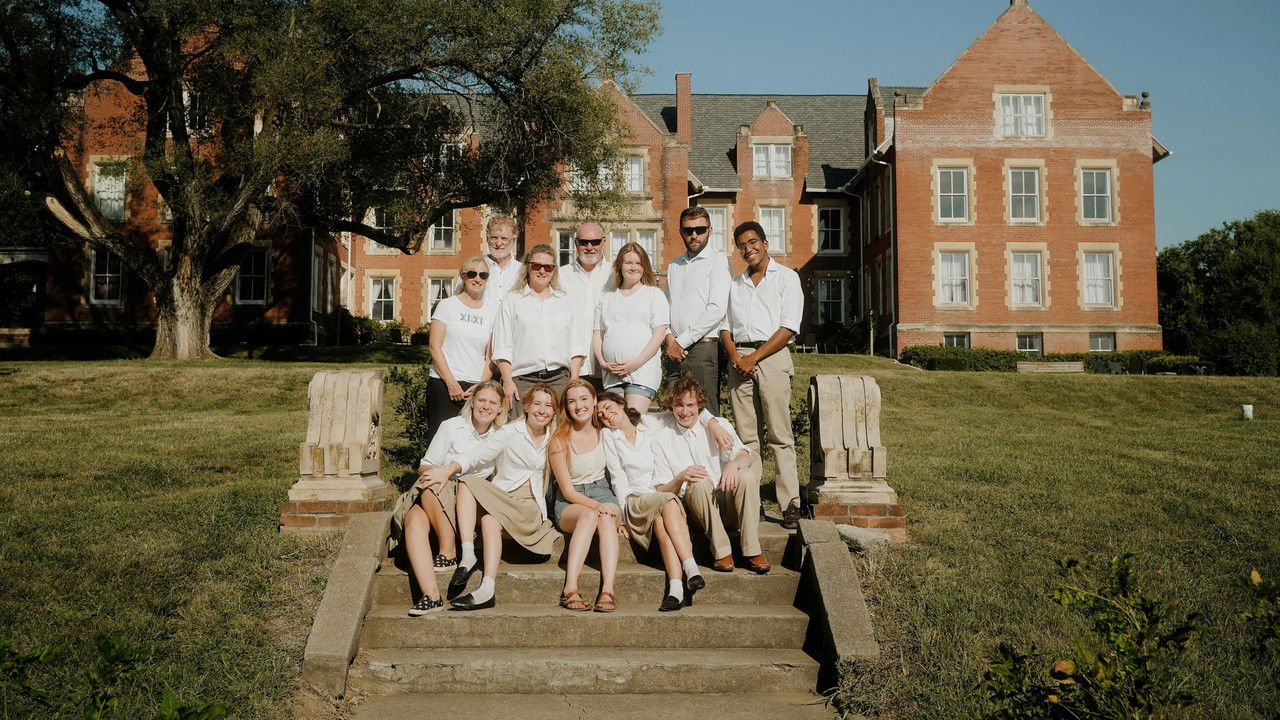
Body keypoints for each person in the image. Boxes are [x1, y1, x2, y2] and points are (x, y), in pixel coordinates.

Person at [420, 385, 562, 610]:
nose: (542, 410)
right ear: (525, 406)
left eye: (548, 406)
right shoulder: (509, 432)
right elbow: (477, 455)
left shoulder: (556, 437)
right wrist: (447, 470)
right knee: (469, 486)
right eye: (537, 404)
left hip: (529, 504)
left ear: (554, 412)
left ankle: (480, 577)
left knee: (485, 512)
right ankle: (480, 576)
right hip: (503, 495)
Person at [394, 381, 507, 615]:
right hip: (436, 491)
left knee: (430, 487)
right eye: (482, 400)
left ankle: (447, 551)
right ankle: (432, 595)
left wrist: (443, 474)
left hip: (472, 500)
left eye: (492, 402)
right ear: (472, 401)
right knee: (414, 519)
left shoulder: (502, 436)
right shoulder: (451, 426)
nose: (486, 406)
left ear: (500, 408)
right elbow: (426, 465)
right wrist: (441, 474)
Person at [720, 221, 804, 529]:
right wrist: (736, 358)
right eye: (742, 245)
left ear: (765, 243)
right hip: (738, 359)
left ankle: (790, 504)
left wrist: (754, 357)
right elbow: (725, 327)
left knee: (780, 435)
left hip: (771, 357)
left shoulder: (787, 278)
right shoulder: (735, 284)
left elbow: (789, 326)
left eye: (753, 242)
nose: (748, 249)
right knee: (747, 437)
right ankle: (750, 501)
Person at [597, 392, 706, 612]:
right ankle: (691, 566)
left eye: (608, 407)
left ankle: (675, 591)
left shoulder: (649, 424)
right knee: (669, 501)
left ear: (621, 404)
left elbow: (689, 412)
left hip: (659, 496)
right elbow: (618, 478)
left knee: (661, 522)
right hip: (636, 501)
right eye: (600, 414)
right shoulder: (609, 436)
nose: (605, 415)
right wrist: (622, 517)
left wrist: (715, 425)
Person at [653, 373, 769, 574]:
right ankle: (722, 552)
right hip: (697, 511)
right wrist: (681, 476)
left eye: (690, 405)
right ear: (671, 405)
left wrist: (733, 465)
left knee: (747, 475)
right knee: (698, 481)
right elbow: (660, 489)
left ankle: (752, 550)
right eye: (679, 405)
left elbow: (745, 456)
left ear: (700, 405)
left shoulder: (718, 425)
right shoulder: (662, 438)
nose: (685, 411)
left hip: (727, 502)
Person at [548, 380, 623, 612]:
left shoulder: (607, 434)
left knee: (607, 517)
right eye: (572, 401)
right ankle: (570, 588)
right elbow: (568, 491)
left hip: (603, 490)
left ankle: (607, 590)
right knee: (591, 516)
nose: (578, 406)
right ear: (566, 408)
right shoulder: (559, 440)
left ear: (594, 401)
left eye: (583, 399)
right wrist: (597, 505)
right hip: (572, 500)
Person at [491, 243, 588, 412]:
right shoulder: (512, 300)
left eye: (548, 267)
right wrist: (507, 382)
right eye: (537, 265)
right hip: (522, 381)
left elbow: (576, 346)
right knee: (519, 432)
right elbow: (502, 346)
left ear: (554, 270)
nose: (542, 271)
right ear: (527, 267)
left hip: (560, 380)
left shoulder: (566, 301)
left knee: (559, 435)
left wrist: (573, 382)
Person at [664, 206, 731, 414]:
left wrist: (680, 342)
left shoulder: (718, 261)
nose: (694, 235)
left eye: (700, 230)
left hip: (702, 349)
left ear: (710, 231)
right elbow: (665, 308)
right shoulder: (674, 265)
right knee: (675, 413)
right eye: (688, 230)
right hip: (674, 351)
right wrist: (669, 340)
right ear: (681, 232)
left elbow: (716, 310)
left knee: (706, 413)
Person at [424, 256, 496, 447]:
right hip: (443, 384)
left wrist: (481, 386)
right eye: (472, 273)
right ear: (463, 277)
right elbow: (434, 347)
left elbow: (490, 356)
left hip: (474, 387)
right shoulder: (447, 305)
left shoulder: (492, 311)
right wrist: (451, 383)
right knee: (441, 444)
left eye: (483, 275)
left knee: (471, 445)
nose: (477, 278)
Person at [593, 242, 669, 413]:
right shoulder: (607, 297)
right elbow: (598, 334)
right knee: (612, 425)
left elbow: (659, 335)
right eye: (628, 263)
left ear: (644, 267)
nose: (633, 267)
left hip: (642, 374)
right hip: (612, 377)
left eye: (638, 263)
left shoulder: (653, 294)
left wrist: (635, 363)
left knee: (631, 423)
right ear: (620, 266)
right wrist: (604, 363)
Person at [558, 222, 613, 392]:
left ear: (603, 242)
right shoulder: (561, 275)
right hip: (571, 366)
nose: (590, 247)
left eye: (595, 242)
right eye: (584, 242)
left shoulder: (615, 274)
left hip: (606, 366)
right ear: (575, 243)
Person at [455, 214, 523, 302]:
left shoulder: (522, 271)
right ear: (487, 239)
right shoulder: (472, 268)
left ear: (513, 240)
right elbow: (458, 299)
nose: (498, 243)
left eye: (504, 238)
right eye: (494, 237)